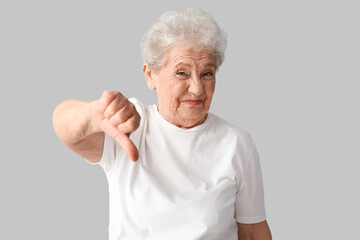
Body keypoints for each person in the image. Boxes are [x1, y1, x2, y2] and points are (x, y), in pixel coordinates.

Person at [53, 7, 272, 240]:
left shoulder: (237, 143)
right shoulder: (129, 125)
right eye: (182, 73)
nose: (197, 88)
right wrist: (91, 114)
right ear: (150, 76)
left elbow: (253, 232)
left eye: (207, 73)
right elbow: (62, 122)